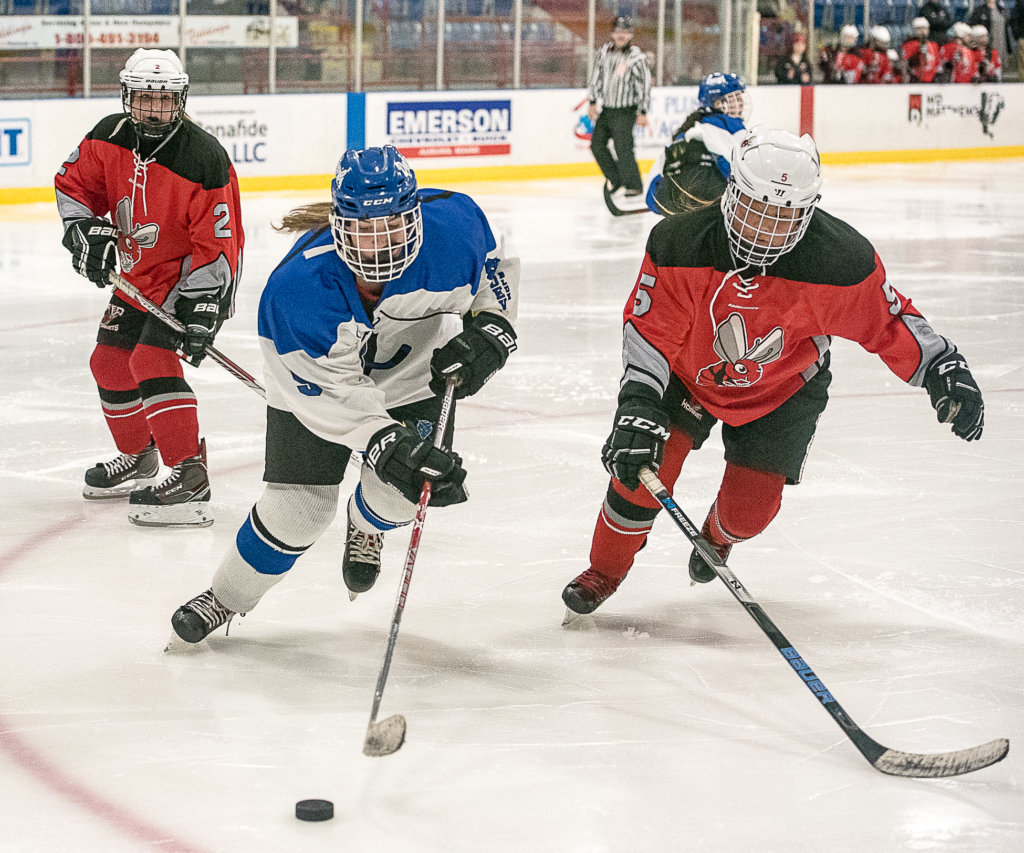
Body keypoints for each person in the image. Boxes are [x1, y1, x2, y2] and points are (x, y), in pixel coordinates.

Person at [561, 126, 984, 619]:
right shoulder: (678, 243)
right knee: (639, 474)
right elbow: (651, 332)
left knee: (749, 514)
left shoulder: (840, 261)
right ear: (732, 194)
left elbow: (888, 322)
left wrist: (941, 367)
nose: (767, 227)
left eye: (785, 214)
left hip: (783, 390)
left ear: (809, 211)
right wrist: (638, 403)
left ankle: (718, 535)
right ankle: (604, 572)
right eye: (756, 208)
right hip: (689, 378)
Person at [169, 145, 520, 644]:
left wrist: (493, 327)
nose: (379, 245)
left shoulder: (455, 229)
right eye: (363, 229)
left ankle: (367, 524)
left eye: (392, 225)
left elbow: (492, 272)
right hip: (320, 390)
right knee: (298, 511)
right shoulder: (298, 289)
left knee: (401, 495)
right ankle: (225, 596)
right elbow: (330, 396)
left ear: (415, 217)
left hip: (413, 378)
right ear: (339, 226)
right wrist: (382, 440)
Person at [54, 48, 244, 528]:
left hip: (191, 278)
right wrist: (84, 231)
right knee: (109, 362)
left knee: (151, 359)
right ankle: (141, 456)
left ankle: (190, 475)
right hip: (140, 275)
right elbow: (73, 186)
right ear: (127, 96)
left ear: (180, 99)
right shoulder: (108, 136)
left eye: (164, 99)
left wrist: (204, 305)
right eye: (144, 98)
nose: (154, 109)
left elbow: (220, 240)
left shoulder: (203, 156)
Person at [643, 73, 747, 216]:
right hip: (710, 211)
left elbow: (651, 192)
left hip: (676, 207)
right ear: (717, 103)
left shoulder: (690, 128)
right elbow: (741, 176)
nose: (741, 103)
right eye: (735, 98)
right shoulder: (719, 128)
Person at [586, 16, 652, 201]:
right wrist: (592, 101)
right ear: (612, 33)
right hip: (607, 109)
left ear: (631, 35)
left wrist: (643, 111)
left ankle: (634, 186)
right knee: (597, 145)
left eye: (625, 32)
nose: (621, 35)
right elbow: (596, 78)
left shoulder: (636, 57)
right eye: (618, 31)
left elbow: (644, 85)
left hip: (625, 110)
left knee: (623, 147)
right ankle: (616, 180)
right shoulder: (603, 53)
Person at [968, 0, 1013, 75]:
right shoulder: (979, 10)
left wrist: (1009, 47)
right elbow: (973, 26)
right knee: (987, 69)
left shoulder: (1001, 9)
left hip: (1001, 43)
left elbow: (1005, 29)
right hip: (987, 45)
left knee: (999, 68)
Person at [901, 17, 941, 83]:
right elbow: (905, 62)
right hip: (916, 79)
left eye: (924, 28)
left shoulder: (934, 45)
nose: (922, 31)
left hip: (931, 80)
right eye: (919, 29)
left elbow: (937, 63)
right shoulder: (909, 45)